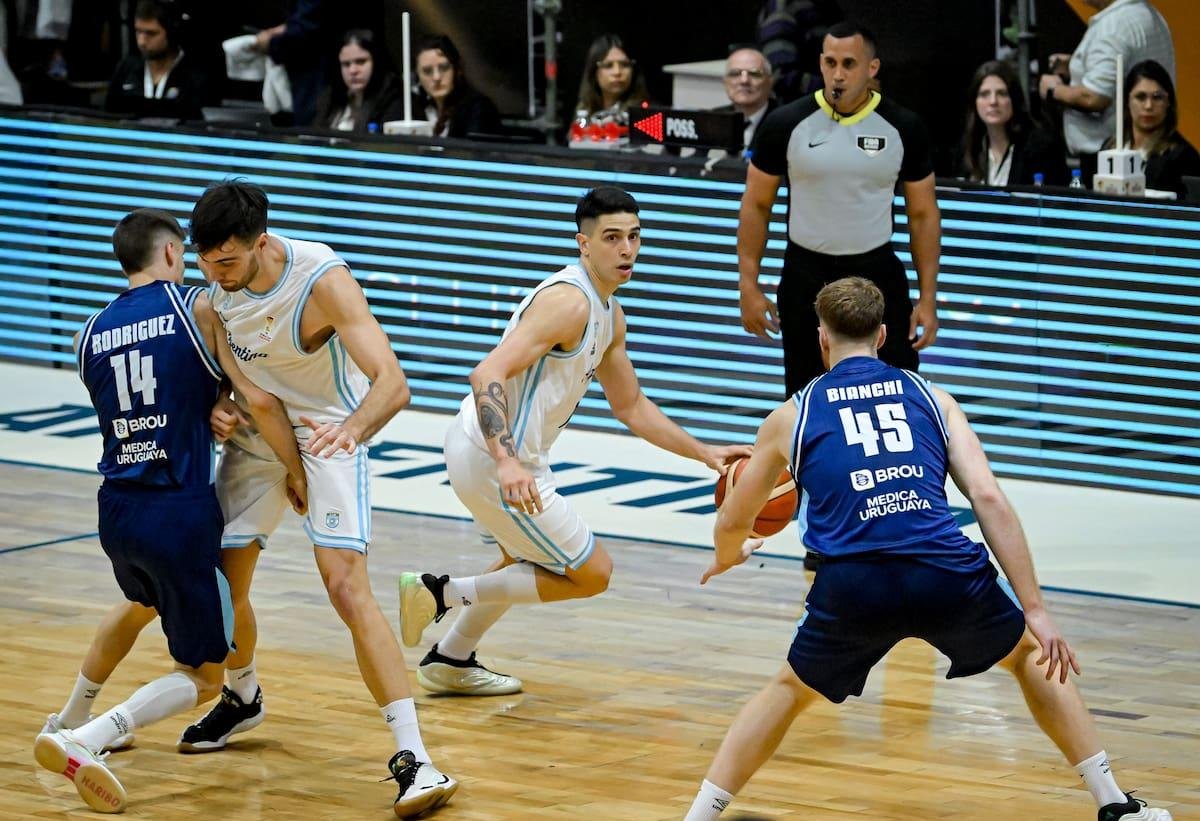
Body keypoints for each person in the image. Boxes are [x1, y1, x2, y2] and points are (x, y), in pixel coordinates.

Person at [681, 276, 1173, 821]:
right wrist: (1035, 609)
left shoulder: (790, 417)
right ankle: (1114, 805)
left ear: (822, 338)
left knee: (788, 690)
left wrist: (729, 554)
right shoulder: (931, 396)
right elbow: (987, 497)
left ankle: (700, 814)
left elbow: (734, 518)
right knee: (1031, 654)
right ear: (885, 333)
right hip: (944, 571)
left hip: (853, 585)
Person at [396, 186, 751, 697]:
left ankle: (451, 658)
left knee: (528, 560)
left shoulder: (610, 313)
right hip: (495, 457)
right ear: (583, 244)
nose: (626, 249)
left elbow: (631, 406)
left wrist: (705, 452)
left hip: (500, 453)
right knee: (591, 573)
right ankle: (438, 593)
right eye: (612, 238)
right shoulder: (569, 303)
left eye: (633, 236)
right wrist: (508, 462)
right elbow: (487, 372)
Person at [177, 181, 457, 816]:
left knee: (344, 587)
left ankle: (416, 758)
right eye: (203, 260)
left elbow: (393, 384)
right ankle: (241, 697)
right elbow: (245, 389)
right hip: (263, 435)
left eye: (225, 261)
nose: (213, 274)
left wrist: (348, 432)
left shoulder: (320, 277)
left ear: (262, 243)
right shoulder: (211, 301)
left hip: (330, 429)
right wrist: (222, 406)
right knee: (224, 580)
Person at [34, 208, 306, 814]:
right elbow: (252, 395)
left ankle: (65, 716)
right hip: (177, 511)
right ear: (174, 255)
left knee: (138, 602)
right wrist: (292, 464)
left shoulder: (90, 330)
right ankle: (89, 737)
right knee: (203, 673)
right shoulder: (196, 306)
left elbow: (147, 397)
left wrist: (208, 405)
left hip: (116, 510)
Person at [738, 21, 940, 568]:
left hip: (877, 274)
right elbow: (756, 205)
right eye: (829, 62)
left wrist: (928, 296)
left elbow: (922, 214)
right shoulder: (786, 123)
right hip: (806, 275)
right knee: (809, 409)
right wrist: (749, 284)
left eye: (849, 64)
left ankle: (908, 524)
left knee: (898, 403)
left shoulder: (904, 126)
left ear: (872, 68)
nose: (837, 73)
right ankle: (824, 539)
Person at [1038, 0, 1174, 186]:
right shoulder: (1150, 15)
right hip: (1144, 150)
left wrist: (1053, 89)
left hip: (1108, 160)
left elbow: (1095, 97)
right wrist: (1076, 66)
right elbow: (1128, 71)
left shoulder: (1112, 27)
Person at [957, 60, 1068, 186]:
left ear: (1014, 99)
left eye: (1002, 93)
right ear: (975, 102)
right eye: (984, 94)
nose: (993, 101)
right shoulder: (969, 148)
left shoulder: (1041, 147)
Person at [104, 0, 216, 121]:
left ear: (172, 32)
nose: (141, 41)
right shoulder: (126, 68)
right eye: (138, 31)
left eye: (151, 33)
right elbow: (108, 116)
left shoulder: (196, 75)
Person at [1102, 60, 1200, 198]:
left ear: (1168, 103)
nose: (1148, 106)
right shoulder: (1109, 148)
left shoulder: (1184, 157)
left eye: (1157, 97)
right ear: (1127, 101)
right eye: (1140, 97)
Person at [413, 34, 503, 139]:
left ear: (457, 69)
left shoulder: (479, 108)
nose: (436, 77)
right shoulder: (416, 107)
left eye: (444, 67)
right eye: (427, 71)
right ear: (417, 75)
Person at [315, 29, 404, 133]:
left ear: (377, 62)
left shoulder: (394, 99)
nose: (353, 70)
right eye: (346, 64)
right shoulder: (329, 98)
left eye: (361, 62)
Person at [570, 33, 649, 142]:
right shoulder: (583, 111)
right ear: (594, 72)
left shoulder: (647, 115)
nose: (617, 72)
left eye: (625, 64)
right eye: (608, 65)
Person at [719, 47, 778, 157]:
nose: (744, 81)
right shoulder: (713, 120)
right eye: (735, 73)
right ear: (725, 81)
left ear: (770, 81)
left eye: (754, 74)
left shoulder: (784, 123)